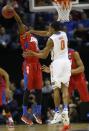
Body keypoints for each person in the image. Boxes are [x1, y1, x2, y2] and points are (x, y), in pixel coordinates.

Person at [23, 21, 71, 130]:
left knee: (56, 90)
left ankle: (57, 113)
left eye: (49, 27)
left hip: (57, 63)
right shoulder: (63, 34)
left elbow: (44, 56)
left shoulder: (51, 40)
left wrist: (32, 53)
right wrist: (32, 31)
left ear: (53, 29)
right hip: (66, 63)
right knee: (65, 88)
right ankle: (66, 110)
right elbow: (46, 33)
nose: (48, 29)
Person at [8, 7, 43, 125]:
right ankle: (24, 114)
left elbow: (38, 51)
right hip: (28, 64)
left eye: (26, 26)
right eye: (23, 27)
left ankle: (38, 114)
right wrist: (13, 12)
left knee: (39, 89)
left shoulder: (34, 38)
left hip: (37, 64)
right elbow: (19, 21)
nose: (24, 27)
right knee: (28, 89)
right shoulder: (23, 36)